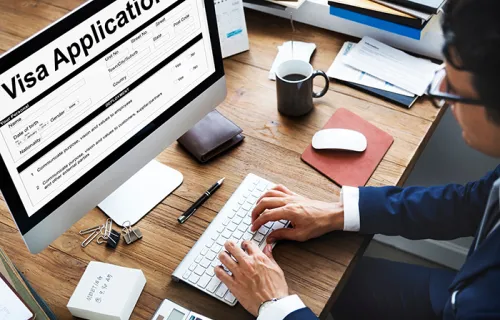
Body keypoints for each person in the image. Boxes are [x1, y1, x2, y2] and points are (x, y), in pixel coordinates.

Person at [213, 0, 500, 318]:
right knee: (337, 283)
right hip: (459, 292)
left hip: (468, 304)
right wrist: (337, 212)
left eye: (453, 90)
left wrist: (275, 304)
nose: (444, 99)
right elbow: (470, 204)